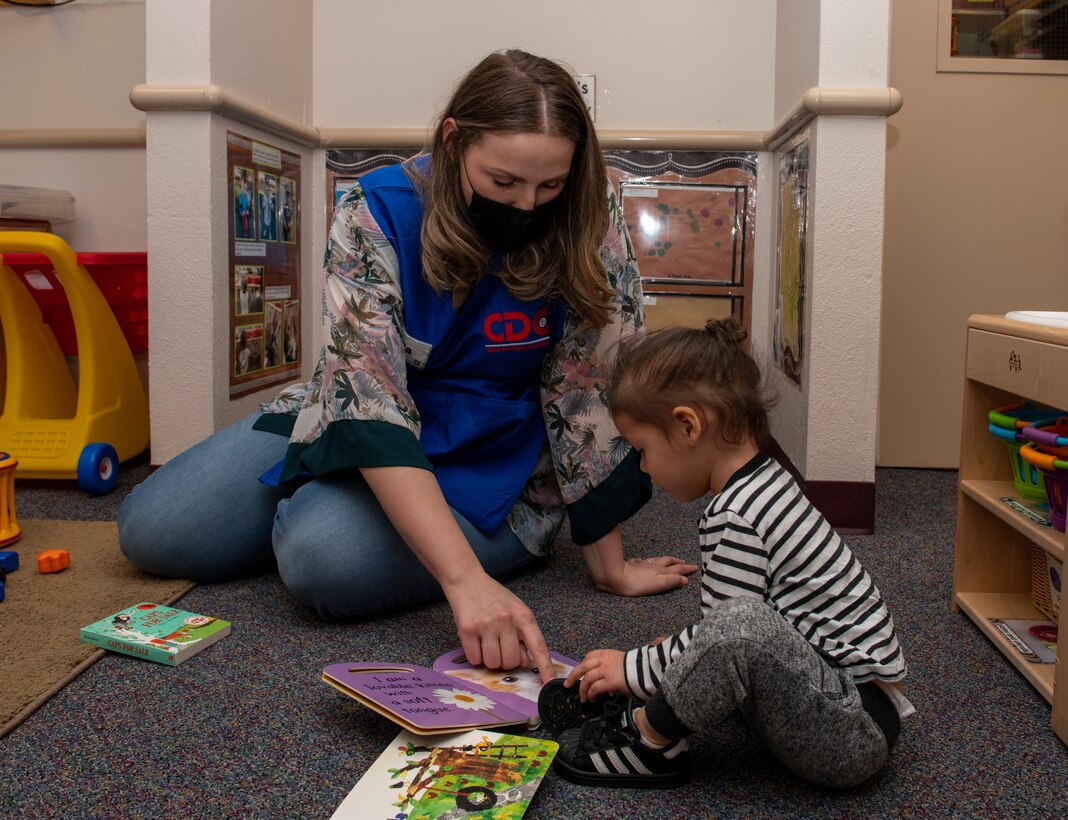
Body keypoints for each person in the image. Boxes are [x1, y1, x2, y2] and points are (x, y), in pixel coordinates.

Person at [117, 49, 697, 684]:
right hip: (368, 410)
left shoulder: (591, 213)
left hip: (496, 452)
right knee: (153, 533)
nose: (527, 205)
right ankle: (340, 496)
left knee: (319, 557)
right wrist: (462, 578)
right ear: (453, 142)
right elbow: (366, 390)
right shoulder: (373, 207)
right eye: (503, 182)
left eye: (549, 185)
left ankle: (339, 511)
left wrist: (604, 564)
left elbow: (587, 388)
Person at [538, 319, 913, 789]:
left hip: (848, 733)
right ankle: (674, 684)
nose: (645, 468)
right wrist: (690, 656)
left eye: (642, 451)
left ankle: (651, 740)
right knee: (718, 637)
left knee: (734, 628)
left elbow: (735, 630)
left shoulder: (736, 513)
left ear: (688, 426)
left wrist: (629, 668)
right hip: (842, 701)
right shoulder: (766, 481)